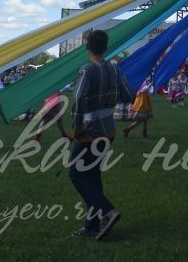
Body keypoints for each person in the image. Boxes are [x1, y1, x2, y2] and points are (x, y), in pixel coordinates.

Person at [65, 30, 130, 240]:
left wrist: (75, 128)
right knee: (92, 175)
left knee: (76, 172)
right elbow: (129, 95)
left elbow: (77, 100)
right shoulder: (115, 69)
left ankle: (107, 211)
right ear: (106, 46)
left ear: (87, 47)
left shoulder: (87, 70)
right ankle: (92, 226)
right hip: (108, 130)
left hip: (89, 132)